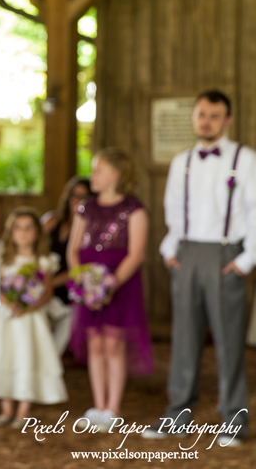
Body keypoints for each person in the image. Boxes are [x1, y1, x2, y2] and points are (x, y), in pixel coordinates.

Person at [143, 90, 255, 446]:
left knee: (228, 341)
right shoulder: (182, 161)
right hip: (187, 254)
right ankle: (178, 414)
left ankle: (234, 420)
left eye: (215, 115)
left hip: (227, 255)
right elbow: (174, 210)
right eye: (202, 114)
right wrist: (170, 250)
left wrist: (245, 261)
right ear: (194, 116)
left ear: (228, 120)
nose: (206, 121)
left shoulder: (247, 159)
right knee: (184, 340)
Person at [67, 148, 152, 432]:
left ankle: (113, 408)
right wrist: (87, 285)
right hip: (90, 284)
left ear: (115, 174)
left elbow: (136, 254)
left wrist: (108, 285)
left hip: (120, 285)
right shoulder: (85, 208)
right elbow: (73, 251)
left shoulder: (134, 209)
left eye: (98, 170)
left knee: (114, 344)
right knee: (96, 344)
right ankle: (97, 404)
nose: (93, 176)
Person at [0, 207, 68, 429]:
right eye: (17, 228)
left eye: (28, 228)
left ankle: (23, 412)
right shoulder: (3, 256)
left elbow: (47, 291)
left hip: (31, 319)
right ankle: (7, 409)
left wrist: (30, 304)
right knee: (5, 356)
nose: (23, 233)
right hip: (7, 316)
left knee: (27, 357)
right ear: (10, 232)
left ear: (37, 232)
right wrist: (11, 303)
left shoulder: (43, 260)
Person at [41, 176, 93, 354]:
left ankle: (52, 358)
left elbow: (80, 268)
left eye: (84, 197)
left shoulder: (90, 231)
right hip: (41, 280)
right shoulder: (52, 221)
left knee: (71, 314)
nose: (77, 200)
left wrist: (50, 283)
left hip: (67, 285)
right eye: (74, 195)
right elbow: (33, 251)